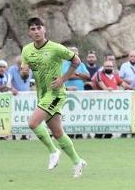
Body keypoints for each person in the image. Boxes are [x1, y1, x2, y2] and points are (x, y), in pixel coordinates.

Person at [19, 17, 87, 175]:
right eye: (33, 29)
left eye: (39, 28)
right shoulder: (26, 50)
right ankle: (78, 162)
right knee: (57, 133)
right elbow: (24, 73)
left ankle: (53, 151)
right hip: (42, 94)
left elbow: (76, 61)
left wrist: (63, 79)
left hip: (56, 93)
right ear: (29, 32)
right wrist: (24, 73)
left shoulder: (56, 48)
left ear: (44, 29)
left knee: (33, 123)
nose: (36, 31)